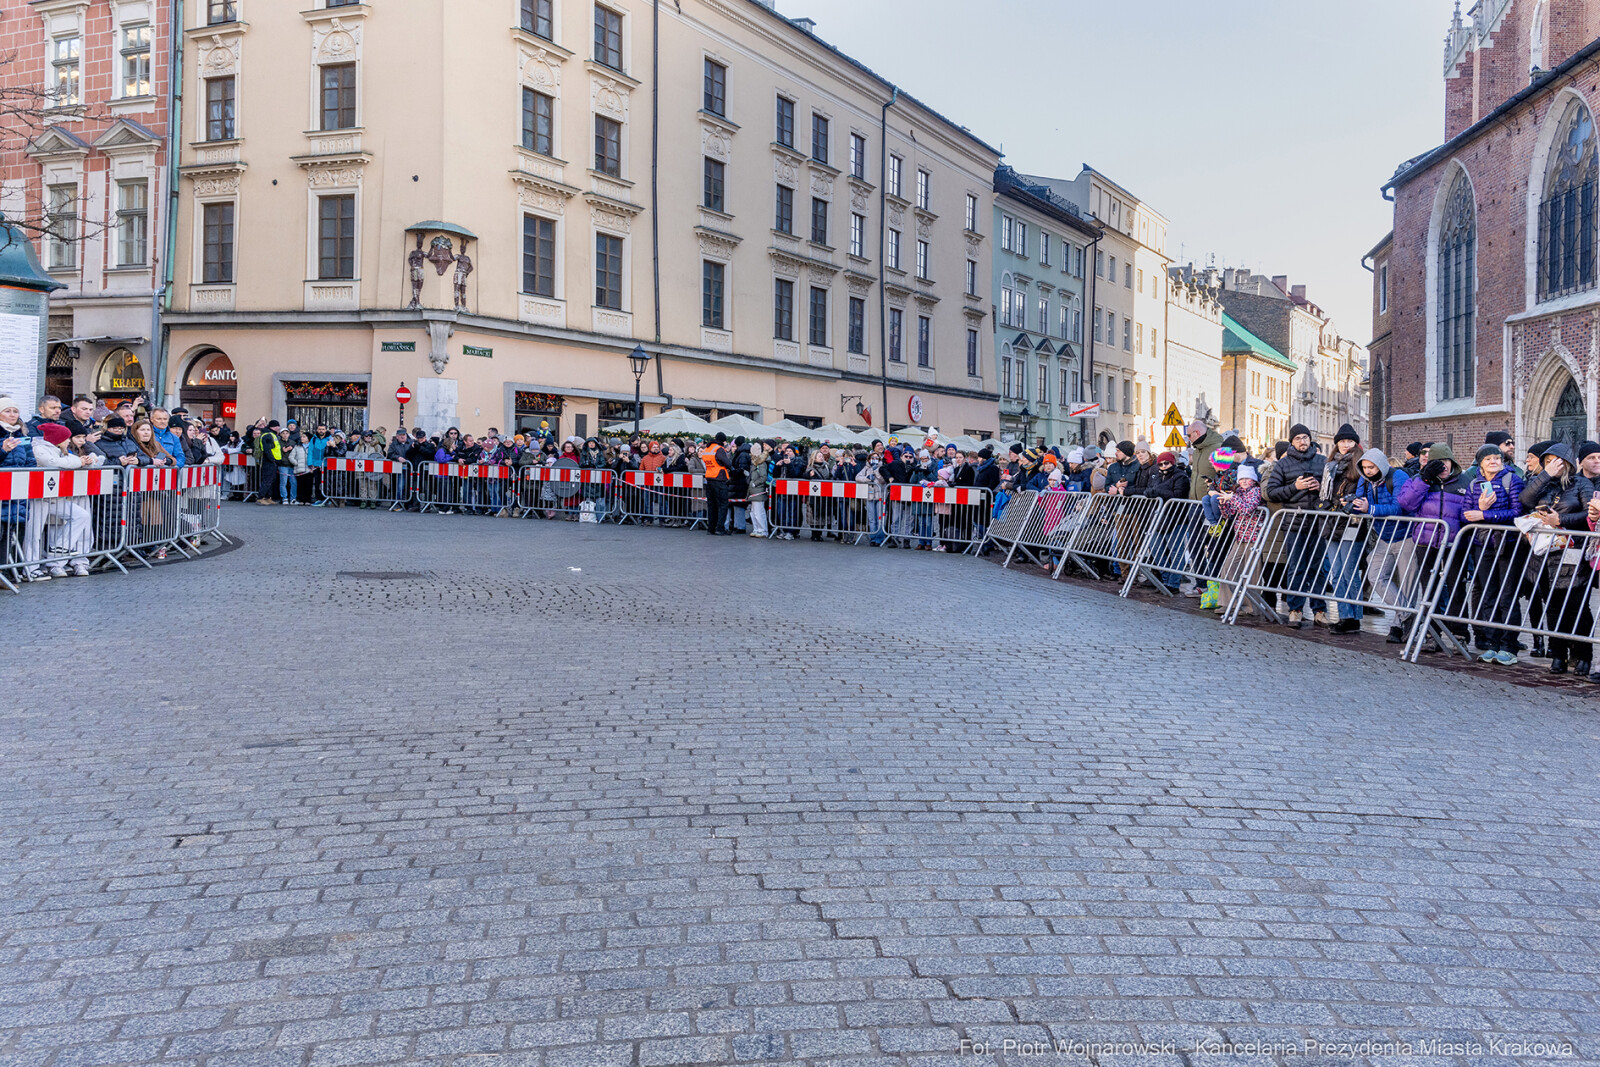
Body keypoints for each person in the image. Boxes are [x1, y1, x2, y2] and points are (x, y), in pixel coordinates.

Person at [1518, 443, 1594, 675]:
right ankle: (1558, 654)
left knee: (1576, 607)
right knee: (1551, 606)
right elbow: (1525, 499)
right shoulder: (1543, 482)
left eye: (1557, 460)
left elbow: (1589, 514)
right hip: (1543, 556)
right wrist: (1545, 474)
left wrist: (1560, 520)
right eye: (1548, 460)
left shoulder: (1582, 483)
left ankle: (1583, 656)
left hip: (1571, 554)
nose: (1554, 464)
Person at [1461, 444, 1526, 665]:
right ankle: (1492, 643)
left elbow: (1517, 513)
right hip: (1483, 544)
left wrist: (1485, 514)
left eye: (1496, 458)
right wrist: (1478, 509)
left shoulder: (1512, 480)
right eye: (1488, 459)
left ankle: (1509, 645)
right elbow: (1466, 514)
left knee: (1507, 595)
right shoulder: (1474, 484)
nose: (1493, 462)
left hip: (1507, 544)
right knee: (1488, 594)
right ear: (1480, 463)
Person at [1264, 424, 1328, 628]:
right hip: (1294, 523)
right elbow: (1272, 492)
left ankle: (1319, 610)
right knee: (1296, 567)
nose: (1303, 441)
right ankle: (1295, 609)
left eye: (1305, 437)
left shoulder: (1322, 461)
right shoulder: (1282, 465)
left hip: (1318, 522)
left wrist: (1321, 489)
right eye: (1298, 438)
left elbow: (1332, 491)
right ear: (1292, 441)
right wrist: (1295, 487)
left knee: (1318, 569)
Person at [1319, 423, 1366, 633]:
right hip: (1331, 523)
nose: (1346, 445)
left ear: (1355, 443)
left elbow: (1363, 492)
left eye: (1349, 441)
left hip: (1351, 523)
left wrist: (1348, 502)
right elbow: (1324, 496)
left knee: (1349, 571)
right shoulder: (1330, 466)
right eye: (1342, 441)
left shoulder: (1361, 464)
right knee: (1336, 573)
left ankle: (1353, 617)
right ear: (1336, 443)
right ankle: (1343, 614)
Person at [700, 432, 733, 535]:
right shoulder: (719, 449)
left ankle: (711, 528)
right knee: (723, 505)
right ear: (722, 440)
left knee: (711, 505)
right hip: (719, 478)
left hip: (709, 478)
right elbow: (727, 462)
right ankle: (720, 528)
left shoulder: (707, 449)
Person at [746, 441, 770, 538]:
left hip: (758, 490)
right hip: (754, 490)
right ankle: (756, 528)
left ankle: (762, 530)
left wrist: (755, 483)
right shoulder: (755, 463)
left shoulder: (761, 463)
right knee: (753, 512)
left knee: (759, 511)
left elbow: (763, 477)